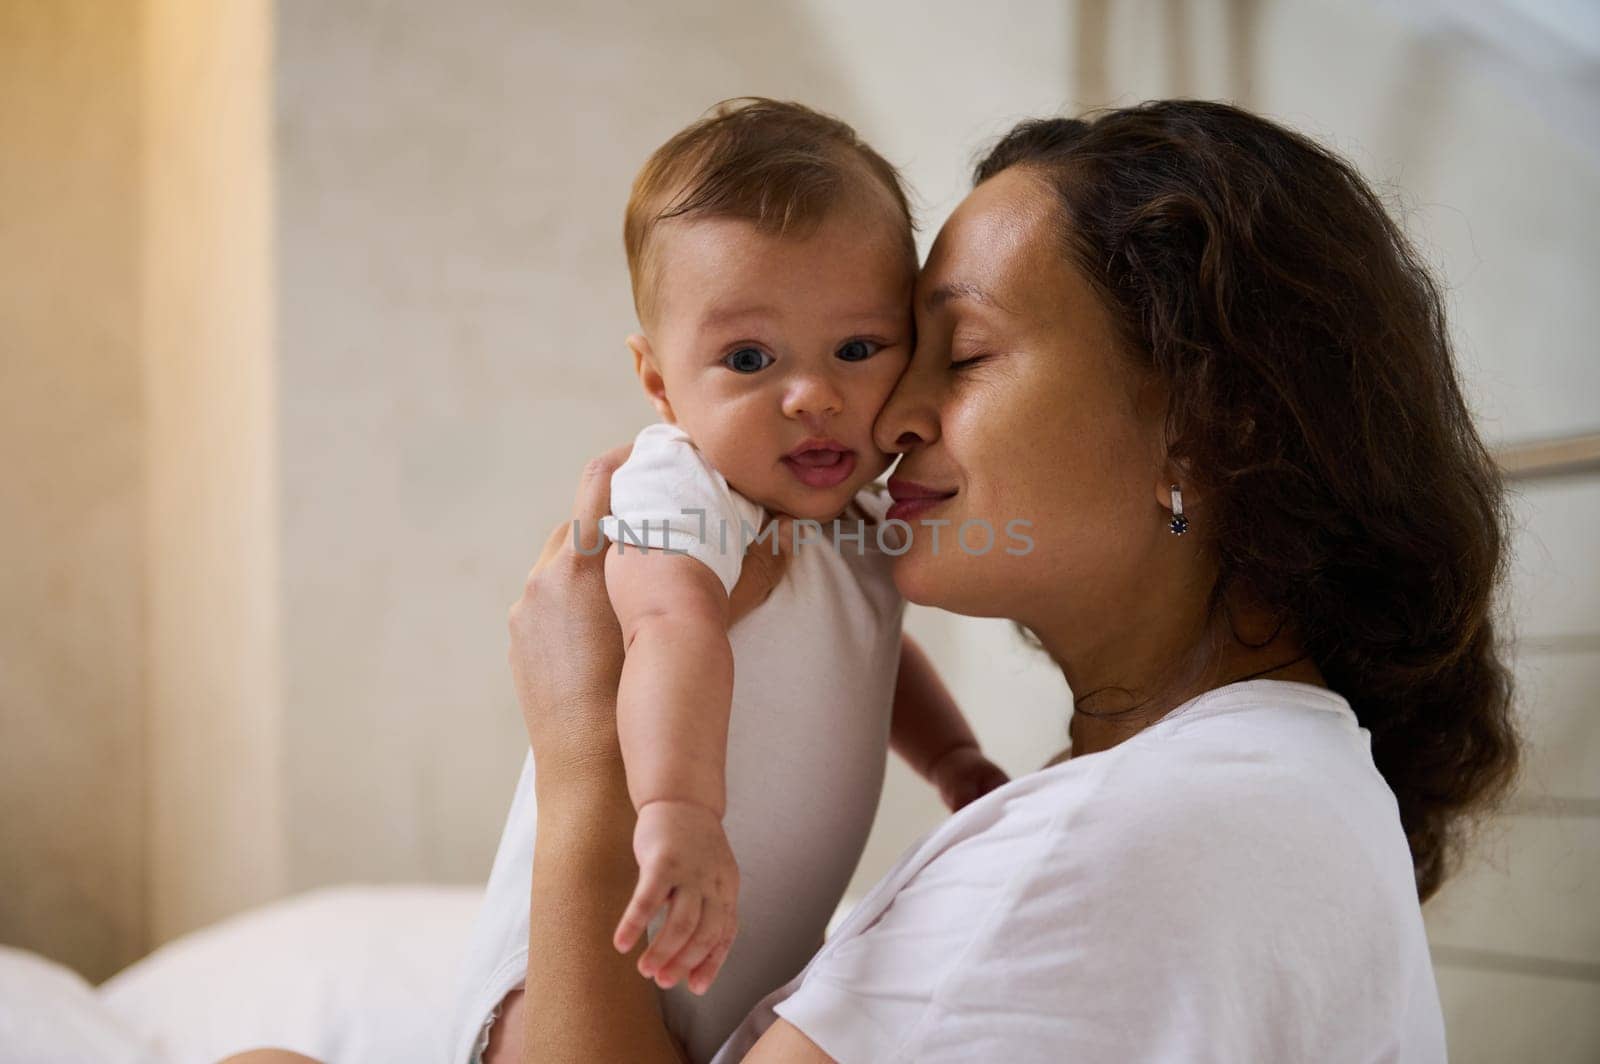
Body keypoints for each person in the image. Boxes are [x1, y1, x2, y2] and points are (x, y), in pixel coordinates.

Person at [224, 98, 1520, 1064]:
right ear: (659, 380)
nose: (880, 409)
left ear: (1197, 418)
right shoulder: (1297, 775)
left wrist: (581, 762)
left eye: (947, 353)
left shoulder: (1101, 850)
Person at [450, 99, 1007, 1064]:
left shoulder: (861, 524)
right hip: (587, 959)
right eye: (749, 359)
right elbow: (669, 629)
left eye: (858, 348)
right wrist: (679, 809)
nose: (814, 395)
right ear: (661, 384)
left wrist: (956, 760)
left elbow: (875, 654)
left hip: (723, 968)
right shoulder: (683, 485)